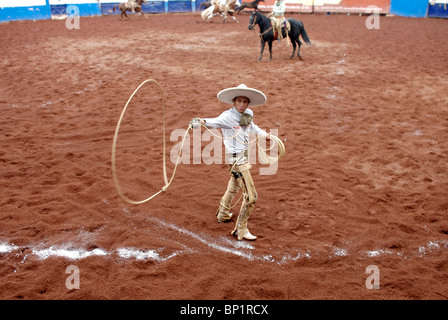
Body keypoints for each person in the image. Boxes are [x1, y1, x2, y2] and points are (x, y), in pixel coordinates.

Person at [190, 84, 271, 241]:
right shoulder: (227, 117)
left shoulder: (248, 113)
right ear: (234, 101)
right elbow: (213, 122)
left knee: (234, 186)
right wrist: (200, 121)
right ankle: (241, 228)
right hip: (236, 160)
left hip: (244, 157)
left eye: (245, 102)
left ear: (248, 103)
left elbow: (252, 126)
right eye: (239, 101)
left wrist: (264, 135)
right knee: (251, 196)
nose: (242, 105)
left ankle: (223, 214)